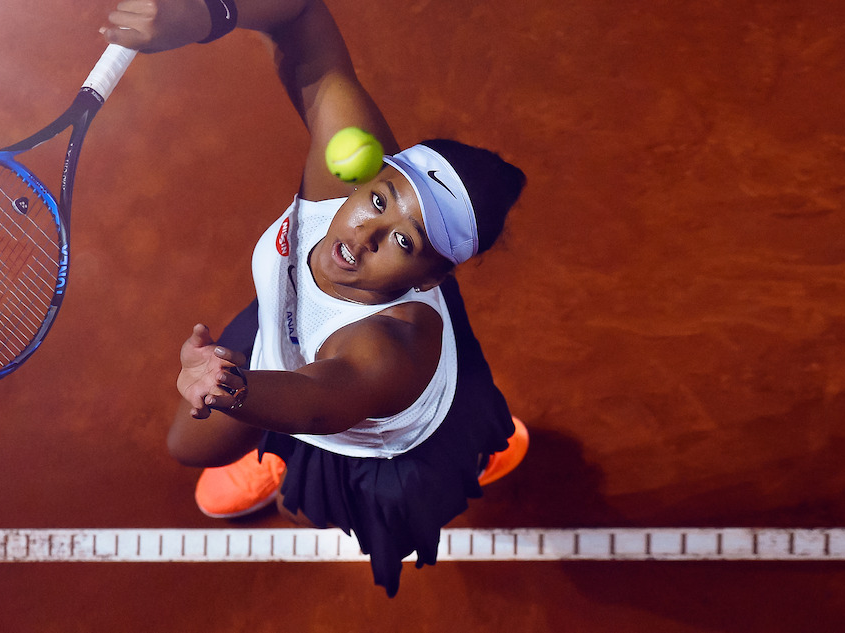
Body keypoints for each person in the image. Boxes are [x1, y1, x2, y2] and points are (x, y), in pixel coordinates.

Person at [103, 0, 529, 597]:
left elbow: (314, 404)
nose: (363, 235)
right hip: (289, 323)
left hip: (361, 430)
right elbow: (300, 13)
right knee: (186, 445)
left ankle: (471, 443)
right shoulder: (347, 169)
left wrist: (225, 385)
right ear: (372, 175)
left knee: (309, 509)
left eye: (403, 241)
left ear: (429, 278)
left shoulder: (388, 349)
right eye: (379, 200)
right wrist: (202, 16)